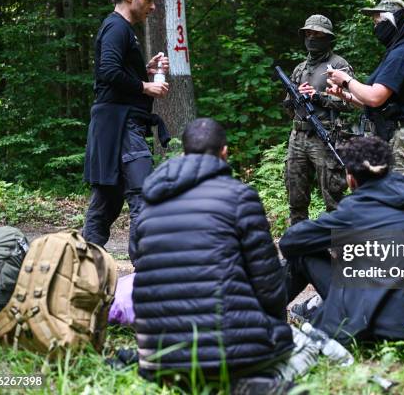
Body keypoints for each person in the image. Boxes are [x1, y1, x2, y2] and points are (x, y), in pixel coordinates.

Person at [132, 118, 323, 389]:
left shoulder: (150, 202)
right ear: (225, 152)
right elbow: (268, 284)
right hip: (231, 350)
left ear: (183, 153)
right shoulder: (239, 196)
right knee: (306, 347)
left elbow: (141, 265)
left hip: (157, 355)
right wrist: (274, 329)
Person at [280, 136, 404, 343]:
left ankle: (266, 315)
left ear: (351, 178)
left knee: (302, 251)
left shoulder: (357, 209)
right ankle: (312, 308)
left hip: (382, 328)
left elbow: (289, 241)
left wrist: (330, 229)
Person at [83, 0, 171, 265]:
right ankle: (146, 272)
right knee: (143, 194)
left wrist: (143, 69)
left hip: (115, 124)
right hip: (120, 125)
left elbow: (115, 73)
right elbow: (107, 72)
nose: (153, 6)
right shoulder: (116, 28)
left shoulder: (120, 29)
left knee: (107, 197)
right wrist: (144, 85)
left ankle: (82, 267)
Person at [326, 0, 404, 177]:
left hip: (395, 138)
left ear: (392, 22)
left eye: (377, 21)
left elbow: (375, 97)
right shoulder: (396, 52)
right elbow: (377, 104)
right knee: (380, 192)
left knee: (393, 195)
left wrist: (346, 80)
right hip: (387, 132)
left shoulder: (400, 55)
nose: (375, 27)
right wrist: (345, 95)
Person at [284, 14, 355, 225]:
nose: (312, 38)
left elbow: (350, 102)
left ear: (327, 38)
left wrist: (317, 96)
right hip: (297, 137)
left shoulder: (338, 65)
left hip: (326, 136)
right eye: (308, 33)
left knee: (334, 197)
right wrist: (296, 95)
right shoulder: (300, 68)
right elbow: (288, 106)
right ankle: (299, 250)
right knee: (296, 197)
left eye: (317, 34)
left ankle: (341, 251)